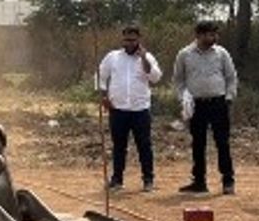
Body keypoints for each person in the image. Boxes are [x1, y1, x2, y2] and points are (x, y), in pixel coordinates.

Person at [172, 20, 237, 195]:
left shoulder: (222, 53)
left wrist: (229, 98)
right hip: (196, 105)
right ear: (199, 35)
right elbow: (178, 80)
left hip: (218, 102)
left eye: (215, 34)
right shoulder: (184, 54)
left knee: (222, 142)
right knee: (198, 144)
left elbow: (231, 77)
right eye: (210, 34)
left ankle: (228, 181)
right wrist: (182, 99)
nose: (214, 37)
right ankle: (199, 182)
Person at [97, 24, 162, 192]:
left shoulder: (147, 57)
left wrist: (144, 58)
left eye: (133, 40)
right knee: (119, 146)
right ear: (122, 39)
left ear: (139, 39)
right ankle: (117, 180)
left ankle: (148, 180)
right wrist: (103, 96)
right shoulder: (113, 57)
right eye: (127, 40)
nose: (130, 43)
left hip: (140, 109)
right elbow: (100, 76)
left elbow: (155, 77)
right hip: (118, 109)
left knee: (144, 145)